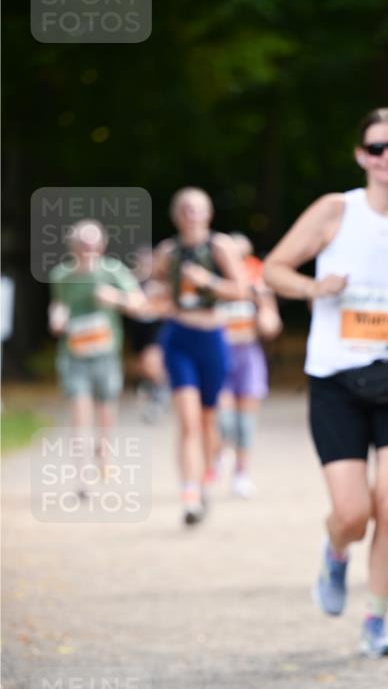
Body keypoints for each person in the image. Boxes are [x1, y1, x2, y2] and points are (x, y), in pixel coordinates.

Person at [264, 107, 388, 657]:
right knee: (354, 513)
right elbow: (273, 268)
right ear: (361, 156)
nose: (387, 157)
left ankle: (376, 621)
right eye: (376, 148)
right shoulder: (333, 212)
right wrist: (314, 290)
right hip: (337, 379)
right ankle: (335, 550)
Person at [151, 188, 248, 524]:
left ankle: (205, 477)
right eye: (185, 210)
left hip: (213, 338)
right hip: (179, 337)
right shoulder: (168, 252)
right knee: (188, 420)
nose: (191, 216)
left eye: (197, 210)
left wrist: (206, 280)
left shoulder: (219, 247)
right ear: (176, 215)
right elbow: (158, 291)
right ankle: (189, 493)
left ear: (208, 214)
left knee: (208, 420)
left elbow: (241, 289)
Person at [48, 219, 148, 481]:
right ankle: (82, 472)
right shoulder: (62, 275)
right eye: (82, 244)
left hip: (105, 354)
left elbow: (139, 303)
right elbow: (59, 305)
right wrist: (57, 318)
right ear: (73, 246)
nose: (88, 249)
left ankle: (104, 456)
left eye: (93, 244)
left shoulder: (113, 271)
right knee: (80, 414)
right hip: (74, 354)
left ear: (102, 246)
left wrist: (115, 298)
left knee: (105, 412)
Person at [217, 233, 282, 498]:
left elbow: (271, 320)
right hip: (219, 356)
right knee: (225, 421)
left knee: (245, 423)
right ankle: (219, 452)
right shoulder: (214, 282)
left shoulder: (256, 281)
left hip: (247, 355)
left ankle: (241, 473)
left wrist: (266, 318)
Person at [124, 246, 169, 423]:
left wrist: (152, 307)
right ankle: (154, 389)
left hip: (156, 328)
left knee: (152, 363)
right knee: (141, 367)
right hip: (137, 329)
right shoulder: (131, 283)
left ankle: (160, 392)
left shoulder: (161, 283)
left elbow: (169, 307)